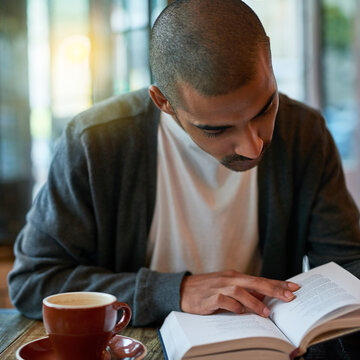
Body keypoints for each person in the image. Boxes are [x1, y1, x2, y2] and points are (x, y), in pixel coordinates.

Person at [8, 0, 360, 353]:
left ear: (267, 57)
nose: (253, 147)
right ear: (163, 101)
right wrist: (175, 291)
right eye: (216, 129)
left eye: (265, 108)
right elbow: (34, 281)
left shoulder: (305, 133)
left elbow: (347, 266)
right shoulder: (95, 142)